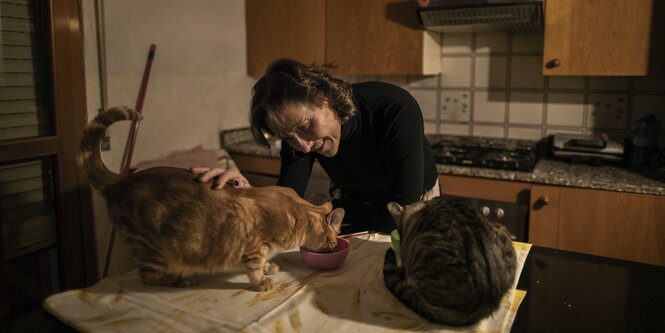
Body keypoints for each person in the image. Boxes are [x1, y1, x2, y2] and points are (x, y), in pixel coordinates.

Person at [194, 59, 439, 234]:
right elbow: (285, 205)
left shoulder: (394, 108)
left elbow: (399, 215)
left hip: (413, 212)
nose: (302, 146)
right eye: (287, 137)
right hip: (352, 208)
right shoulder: (297, 136)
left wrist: (330, 207)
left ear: (325, 96)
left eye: (304, 126)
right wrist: (246, 193)